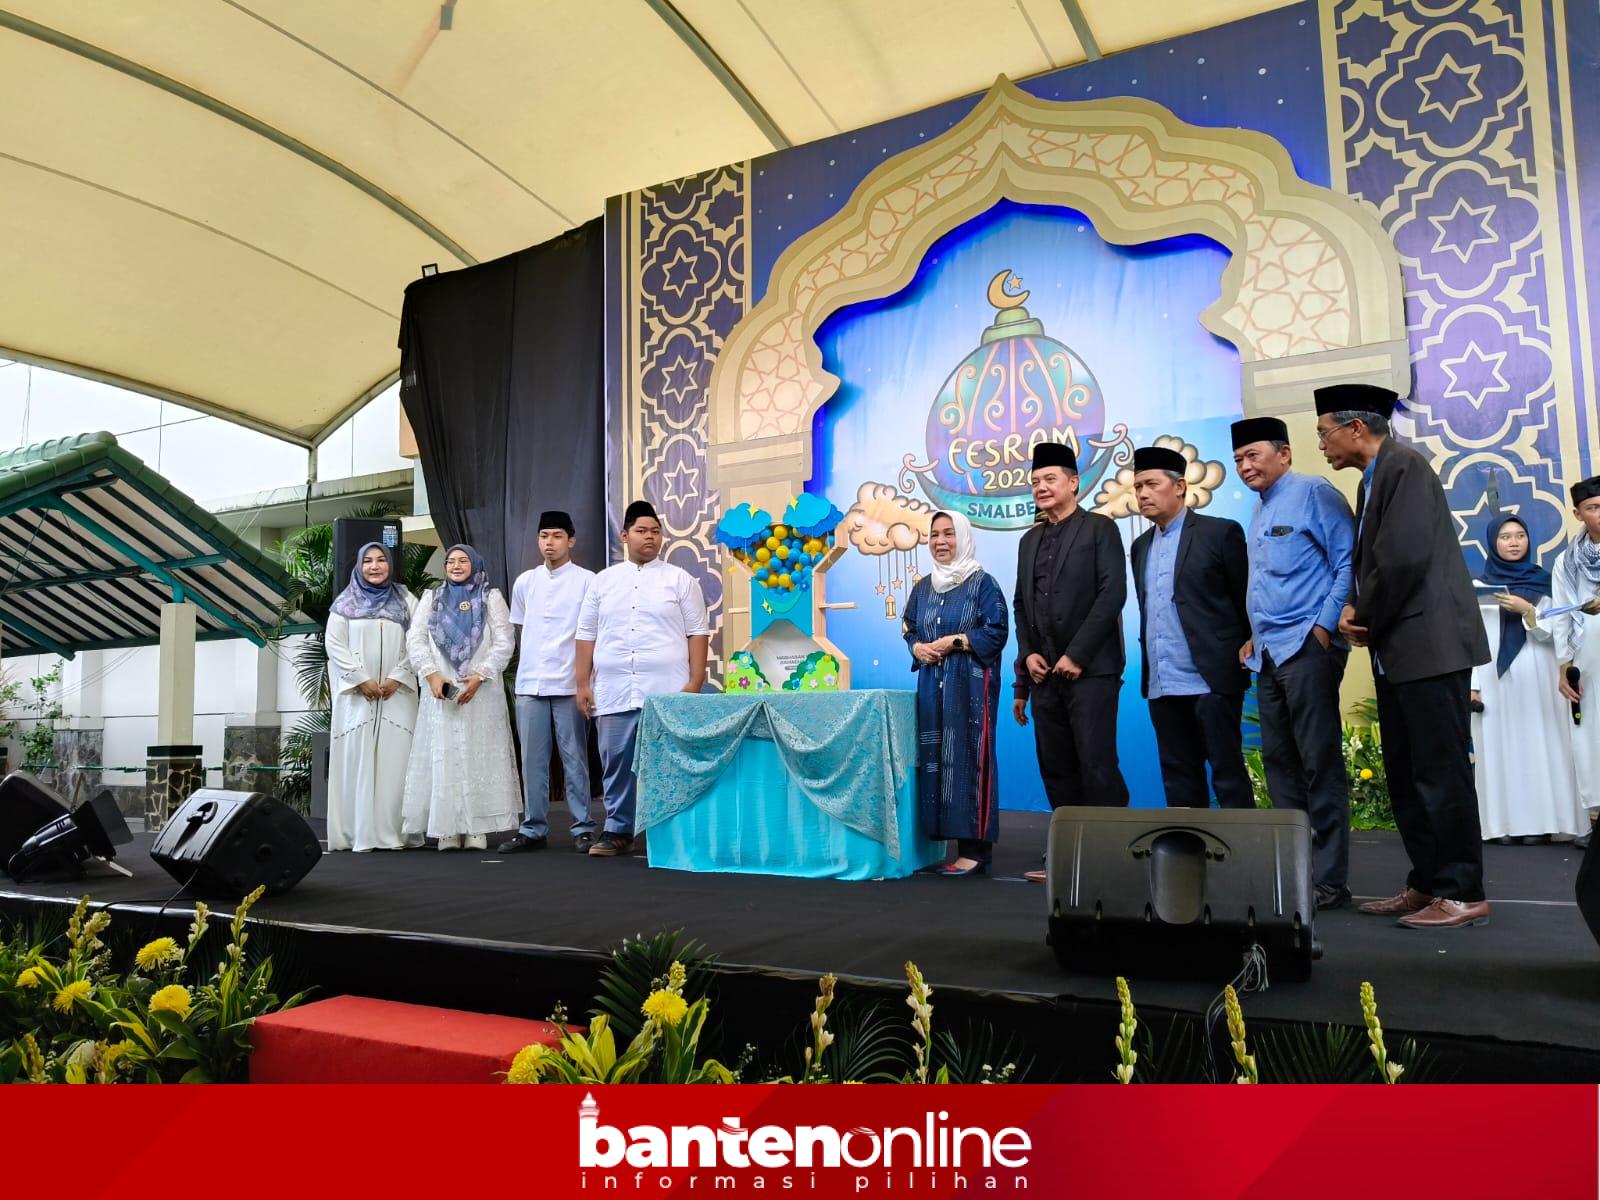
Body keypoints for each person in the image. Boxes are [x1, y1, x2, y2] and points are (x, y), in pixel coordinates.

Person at [1318, 383, 1492, 929]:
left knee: (1441, 772)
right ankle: (1427, 882)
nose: (1321, 444)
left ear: (1355, 428)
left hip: (1429, 647)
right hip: (1401, 650)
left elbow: (1403, 558)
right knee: (1406, 771)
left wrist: (1360, 613)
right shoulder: (1375, 478)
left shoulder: (1404, 467)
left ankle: (1463, 891)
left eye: (1324, 433)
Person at [1232, 416, 1356, 909]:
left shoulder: (1314, 492)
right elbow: (1270, 582)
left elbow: (1348, 561)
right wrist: (1253, 635)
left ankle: (1330, 880)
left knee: (1317, 762)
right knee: (1280, 762)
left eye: (1253, 456)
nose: (1244, 466)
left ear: (1283, 454)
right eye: (1238, 459)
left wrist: (1323, 628)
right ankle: (1294, 872)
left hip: (1307, 648)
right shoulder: (1260, 511)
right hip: (1267, 655)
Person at [1013, 441, 1129, 882]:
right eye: (1036, 481)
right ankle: (1068, 858)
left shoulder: (1099, 529)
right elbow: (1022, 604)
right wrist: (1029, 656)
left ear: (1073, 482)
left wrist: (1076, 655)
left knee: (1096, 763)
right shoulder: (1029, 540)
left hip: (1092, 671)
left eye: (1050, 480)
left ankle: (1111, 857)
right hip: (1045, 677)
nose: (1041, 487)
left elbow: (1111, 594)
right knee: (1056, 766)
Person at [576, 501, 710, 858]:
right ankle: (619, 830)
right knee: (616, 760)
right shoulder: (603, 581)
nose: (650, 537)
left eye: (655, 531)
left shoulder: (680, 579)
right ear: (624, 535)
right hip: (614, 689)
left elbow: (698, 632)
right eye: (641, 531)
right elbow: (585, 634)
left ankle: (674, 829)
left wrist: (695, 683)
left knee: (671, 761)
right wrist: (582, 683)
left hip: (668, 690)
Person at [1128, 444, 1253, 811]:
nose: (1143, 494)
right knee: (1178, 774)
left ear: (1180, 486)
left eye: (1151, 484)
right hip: (1162, 681)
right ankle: (1188, 859)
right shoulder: (1139, 546)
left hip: (1211, 678)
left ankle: (1243, 860)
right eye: (1137, 487)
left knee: (1227, 771)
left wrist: (1248, 644)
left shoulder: (1220, 533)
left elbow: (1245, 597)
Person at [902, 511, 1010, 876]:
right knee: (936, 760)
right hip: (933, 685)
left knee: (968, 759)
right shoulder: (923, 588)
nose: (941, 541)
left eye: (949, 534)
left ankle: (976, 852)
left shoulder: (983, 584)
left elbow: (996, 632)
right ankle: (943, 846)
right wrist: (917, 648)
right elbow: (910, 628)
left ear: (963, 537)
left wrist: (958, 641)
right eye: (934, 535)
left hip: (969, 686)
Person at [1470, 514, 1584, 843]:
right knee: (1500, 746)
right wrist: (1473, 685)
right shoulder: (1478, 588)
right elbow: (1473, 639)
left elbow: (1556, 633)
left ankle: (1542, 823)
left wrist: (1527, 611)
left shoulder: (1547, 581)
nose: (1514, 542)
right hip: (1494, 676)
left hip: (1538, 672)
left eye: (1520, 535)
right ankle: (1505, 825)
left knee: (1541, 744)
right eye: (1505, 537)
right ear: (1492, 543)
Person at [402, 544, 521, 850]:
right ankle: (447, 829)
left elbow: (505, 641)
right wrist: (431, 674)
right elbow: (415, 640)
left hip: (481, 691)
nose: (456, 565)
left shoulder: (490, 597)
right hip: (440, 690)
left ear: (475, 564)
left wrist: (480, 675)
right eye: (450, 561)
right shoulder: (432, 598)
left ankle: (477, 828)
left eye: (463, 560)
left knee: (478, 753)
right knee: (446, 753)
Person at [500, 511, 599, 855]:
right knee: (533, 760)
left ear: (570, 540)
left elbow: (591, 636)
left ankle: (583, 827)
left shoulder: (588, 581)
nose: (549, 543)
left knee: (575, 759)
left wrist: (586, 682)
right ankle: (532, 828)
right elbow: (524, 631)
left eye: (557, 536)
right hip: (530, 683)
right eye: (544, 536)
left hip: (570, 683)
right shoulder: (525, 582)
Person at [324, 542, 418, 852]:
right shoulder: (344, 603)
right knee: (357, 762)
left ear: (390, 565)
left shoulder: (406, 601)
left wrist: (397, 677)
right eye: (368, 561)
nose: (374, 566)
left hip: (397, 696)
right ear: (359, 566)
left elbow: (419, 643)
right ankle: (358, 834)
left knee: (396, 763)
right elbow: (334, 646)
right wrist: (361, 680)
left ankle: (394, 833)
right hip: (357, 699)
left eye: (381, 560)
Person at [1554, 475, 1600, 844]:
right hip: (1587, 658)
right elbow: (1561, 615)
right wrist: (1562, 666)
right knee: (1588, 732)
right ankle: (1597, 817)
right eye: (1594, 508)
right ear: (1578, 513)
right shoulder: (1567, 562)